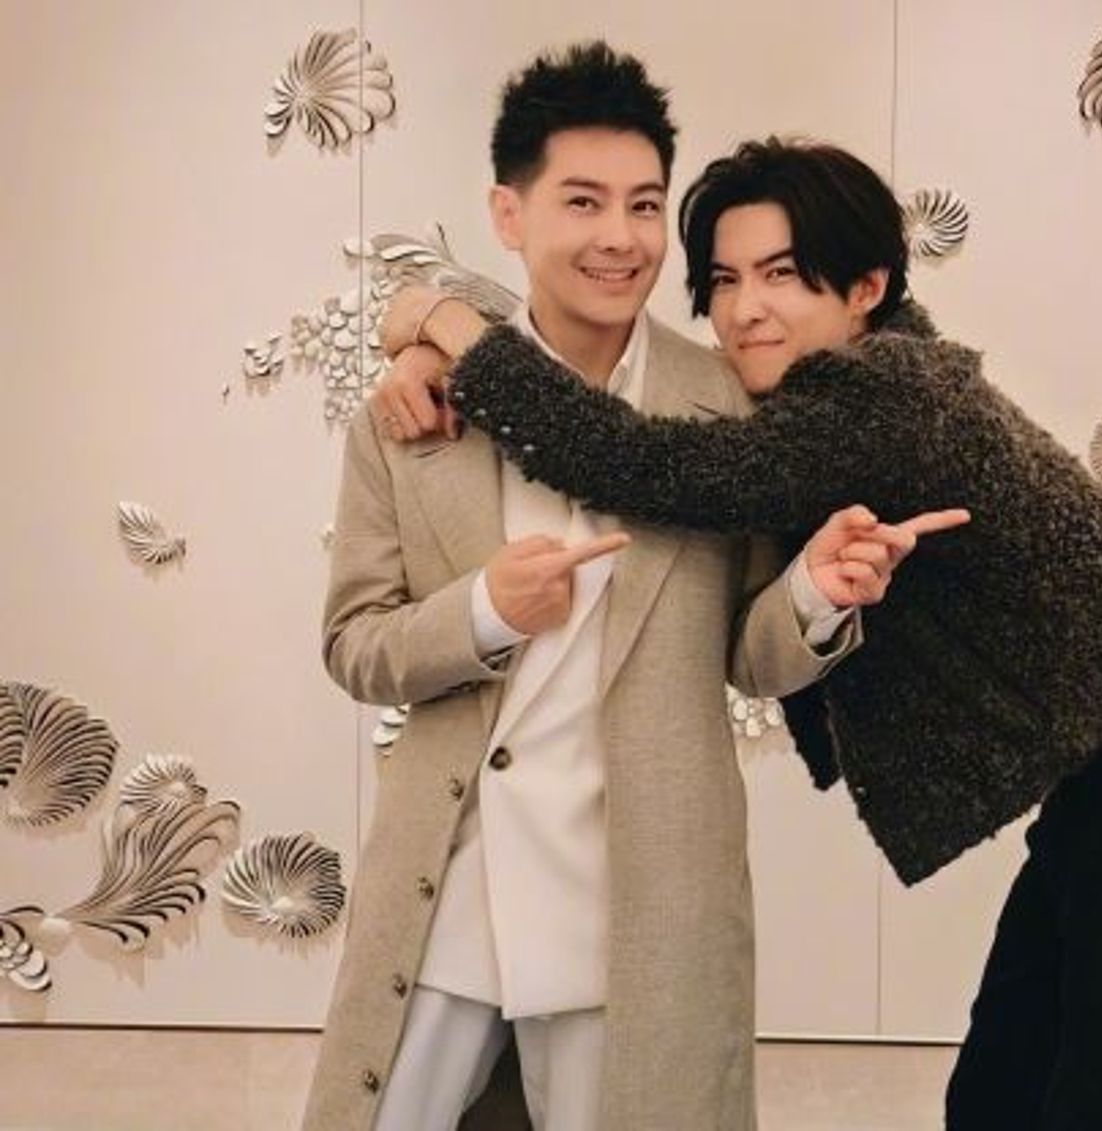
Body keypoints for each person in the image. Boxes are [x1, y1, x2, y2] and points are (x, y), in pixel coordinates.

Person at [375, 137, 1102, 1131]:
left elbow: (635, 460)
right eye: (724, 280)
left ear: (866, 288)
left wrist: (442, 322)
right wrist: (433, 352)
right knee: (996, 1099)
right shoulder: (845, 385)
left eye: (781, 275)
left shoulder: (886, 396)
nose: (745, 309)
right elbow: (632, 406)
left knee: (1090, 1104)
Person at [306, 54, 955, 1131]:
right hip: (448, 891)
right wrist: (482, 612)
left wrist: (816, 591)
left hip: (637, 906)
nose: (621, 236)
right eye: (584, 202)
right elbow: (354, 644)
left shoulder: (729, 404)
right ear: (508, 215)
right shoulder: (417, 409)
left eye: (645, 205)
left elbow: (750, 653)